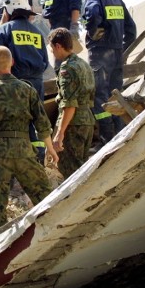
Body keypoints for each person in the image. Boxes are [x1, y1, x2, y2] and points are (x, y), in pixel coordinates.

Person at [0, 46, 60, 232]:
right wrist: (50, 149)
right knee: (45, 198)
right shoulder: (27, 89)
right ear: (12, 62)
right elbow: (42, 123)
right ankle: (55, 232)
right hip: (23, 150)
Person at [77, 0, 136, 148]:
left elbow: (93, 15)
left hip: (100, 54)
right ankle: (121, 135)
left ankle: (107, 140)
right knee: (116, 95)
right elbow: (131, 29)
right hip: (117, 55)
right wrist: (122, 48)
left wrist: (93, 31)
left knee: (99, 97)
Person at [0, 0, 49, 163]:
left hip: (14, 82)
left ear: (9, 9)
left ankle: (17, 162)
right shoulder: (37, 32)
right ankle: (38, 158)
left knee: (15, 122)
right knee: (35, 119)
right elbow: (45, 62)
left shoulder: (5, 30)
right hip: (37, 82)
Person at [47, 28, 96, 178]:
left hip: (73, 124)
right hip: (87, 120)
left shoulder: (67, 68)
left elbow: (69, 104)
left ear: (58, 46)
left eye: (52, 48)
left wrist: (60, 133)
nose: (52, 52)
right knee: (81, 167)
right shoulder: (84, 64)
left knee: (70, 172)